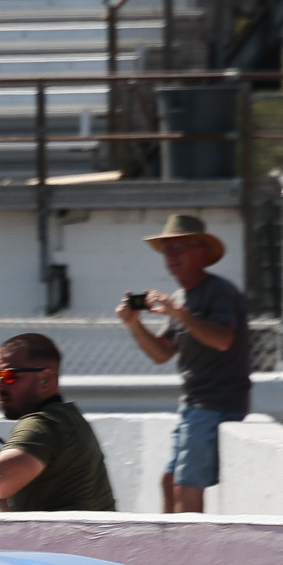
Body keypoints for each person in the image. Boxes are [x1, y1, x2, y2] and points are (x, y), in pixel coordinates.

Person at [116, 213, 252, 514]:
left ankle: (188, 545)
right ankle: (169, 544)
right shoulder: (182, 297)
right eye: (167, 249)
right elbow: (162, 354)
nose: (171, 255)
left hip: (216, 405)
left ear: (201, 251)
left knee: (185, 488)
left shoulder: (218, 291)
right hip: (195, 407)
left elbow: (222, 340)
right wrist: (134, 323)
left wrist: (179, 314)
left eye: (179, 247)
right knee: (169, 483)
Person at [0, 332, 116, 512]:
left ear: (45, 380)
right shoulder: (66, 418)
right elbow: (11, 504)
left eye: (8, 376)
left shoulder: (43, 423)